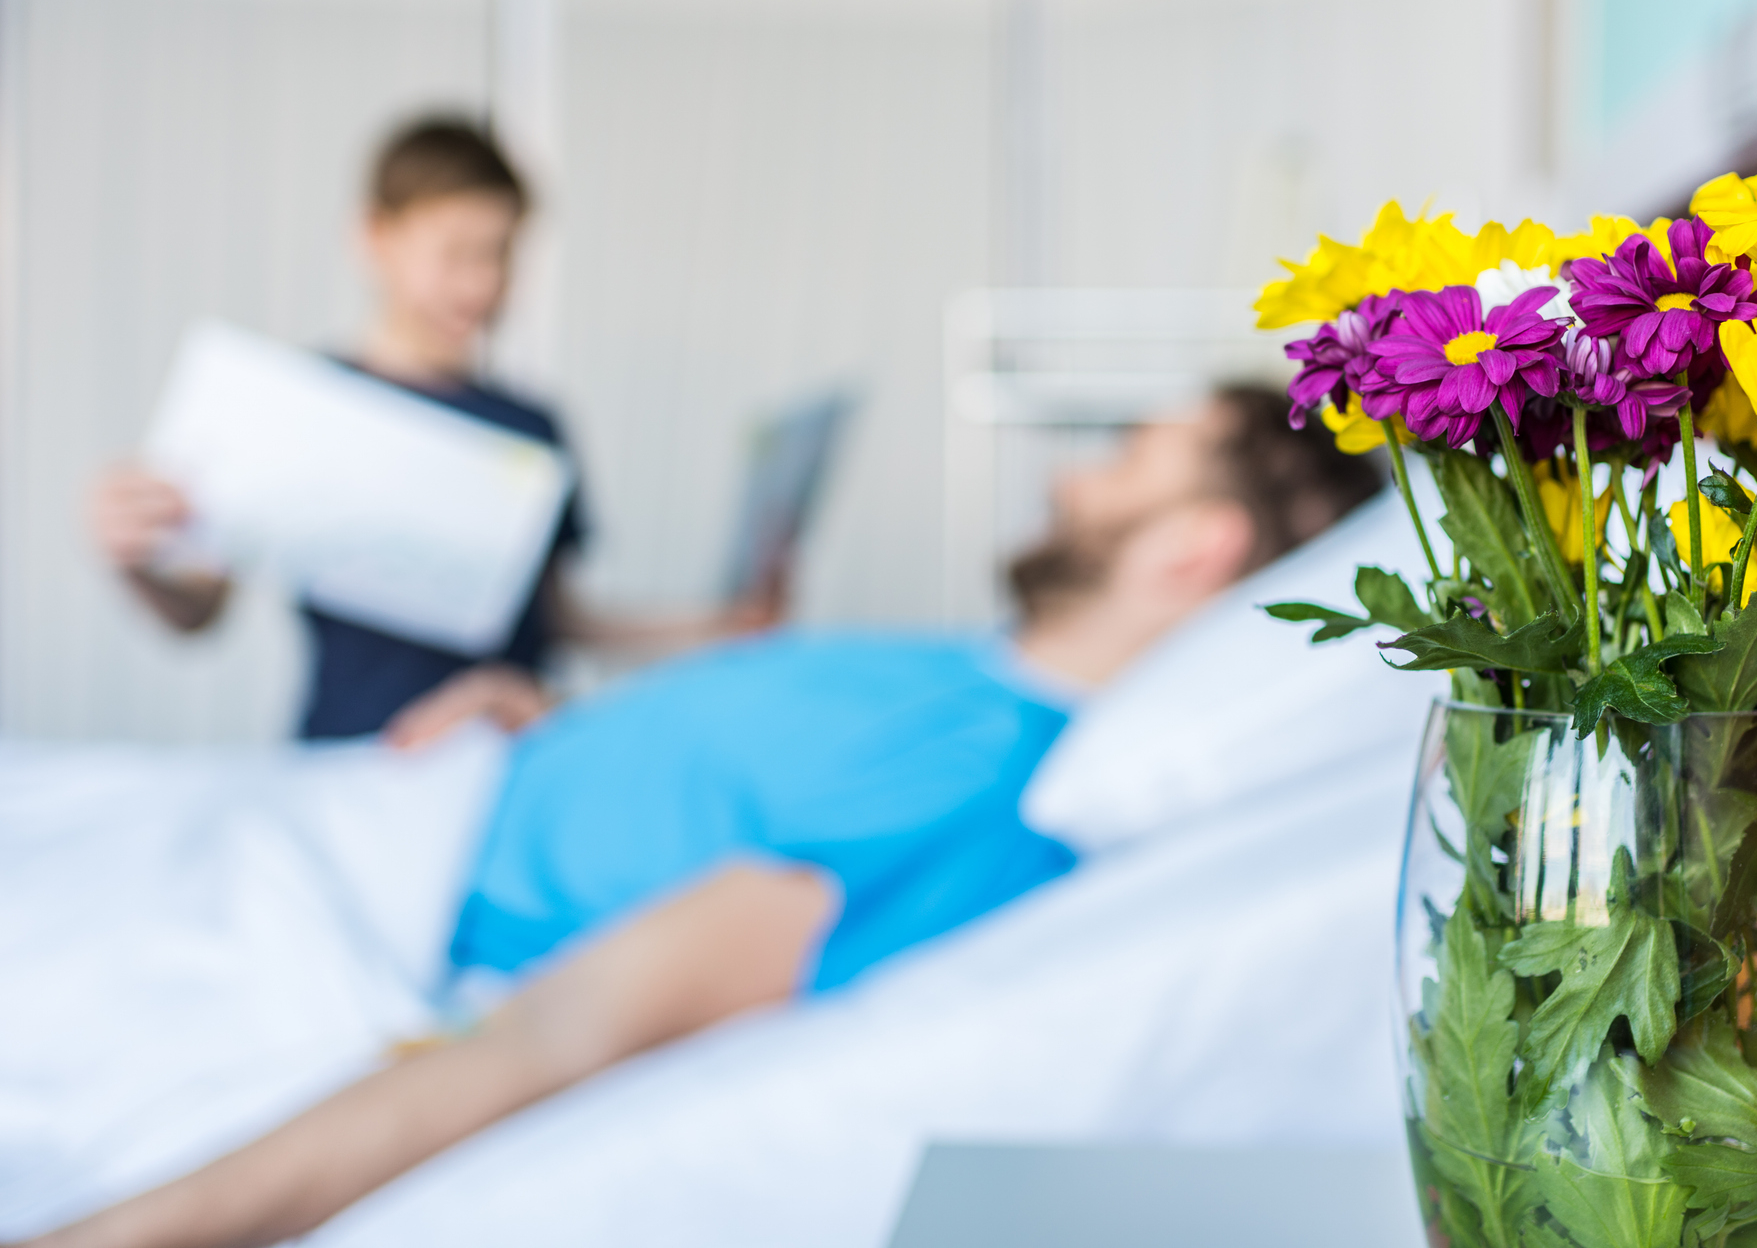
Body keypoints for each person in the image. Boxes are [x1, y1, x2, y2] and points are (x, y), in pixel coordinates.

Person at [24, 384, 1380, 1248]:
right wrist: (546, 718)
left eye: (1128, 458)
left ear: (1195, 544)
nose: (1069, 479)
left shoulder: (991, 783)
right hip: (409, 792)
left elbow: (558, 1032)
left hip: (357, 893)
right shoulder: (973, 671)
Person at [87, 117, 766, 746]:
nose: (481, 282)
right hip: (352, 766)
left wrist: (722, 626)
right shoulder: (294, 410)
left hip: (511, 761)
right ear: (374, 236)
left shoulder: (533, 425)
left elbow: (559, 620)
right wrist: (136, 557)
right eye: (456, 253)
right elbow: (197, 611)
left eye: (500, 253)